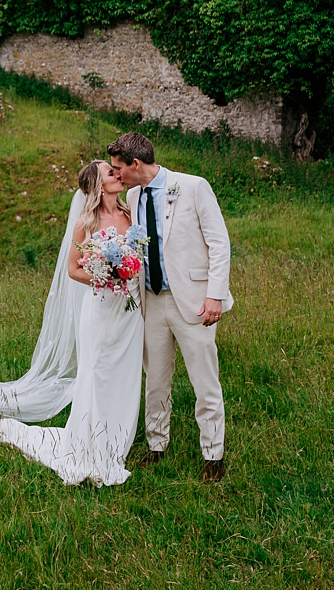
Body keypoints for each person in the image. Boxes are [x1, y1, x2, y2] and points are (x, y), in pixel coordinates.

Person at [0, 160, 145, 486]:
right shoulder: (85, 223)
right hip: (101, 308)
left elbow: (138, 256)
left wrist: (128, 271)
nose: (118, 175)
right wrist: (103, 276)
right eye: (110, 173)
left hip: (129, 313)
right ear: (98, 185)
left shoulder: (131, 214)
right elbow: (73, 269)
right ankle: (92, 444)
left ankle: (118, 441)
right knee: (96, 374)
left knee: (125, 374)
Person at [107, 131, 233, 482]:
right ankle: (156, 445)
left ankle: (213, 455)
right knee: (156, 380)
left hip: (193, 302)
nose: (116, 175)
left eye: (119, 169)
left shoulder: (192, 187)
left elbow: (219, 243)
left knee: (204, 380)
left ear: (136, 164)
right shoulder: (132, 196)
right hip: (151, 301)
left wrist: (215, 295)